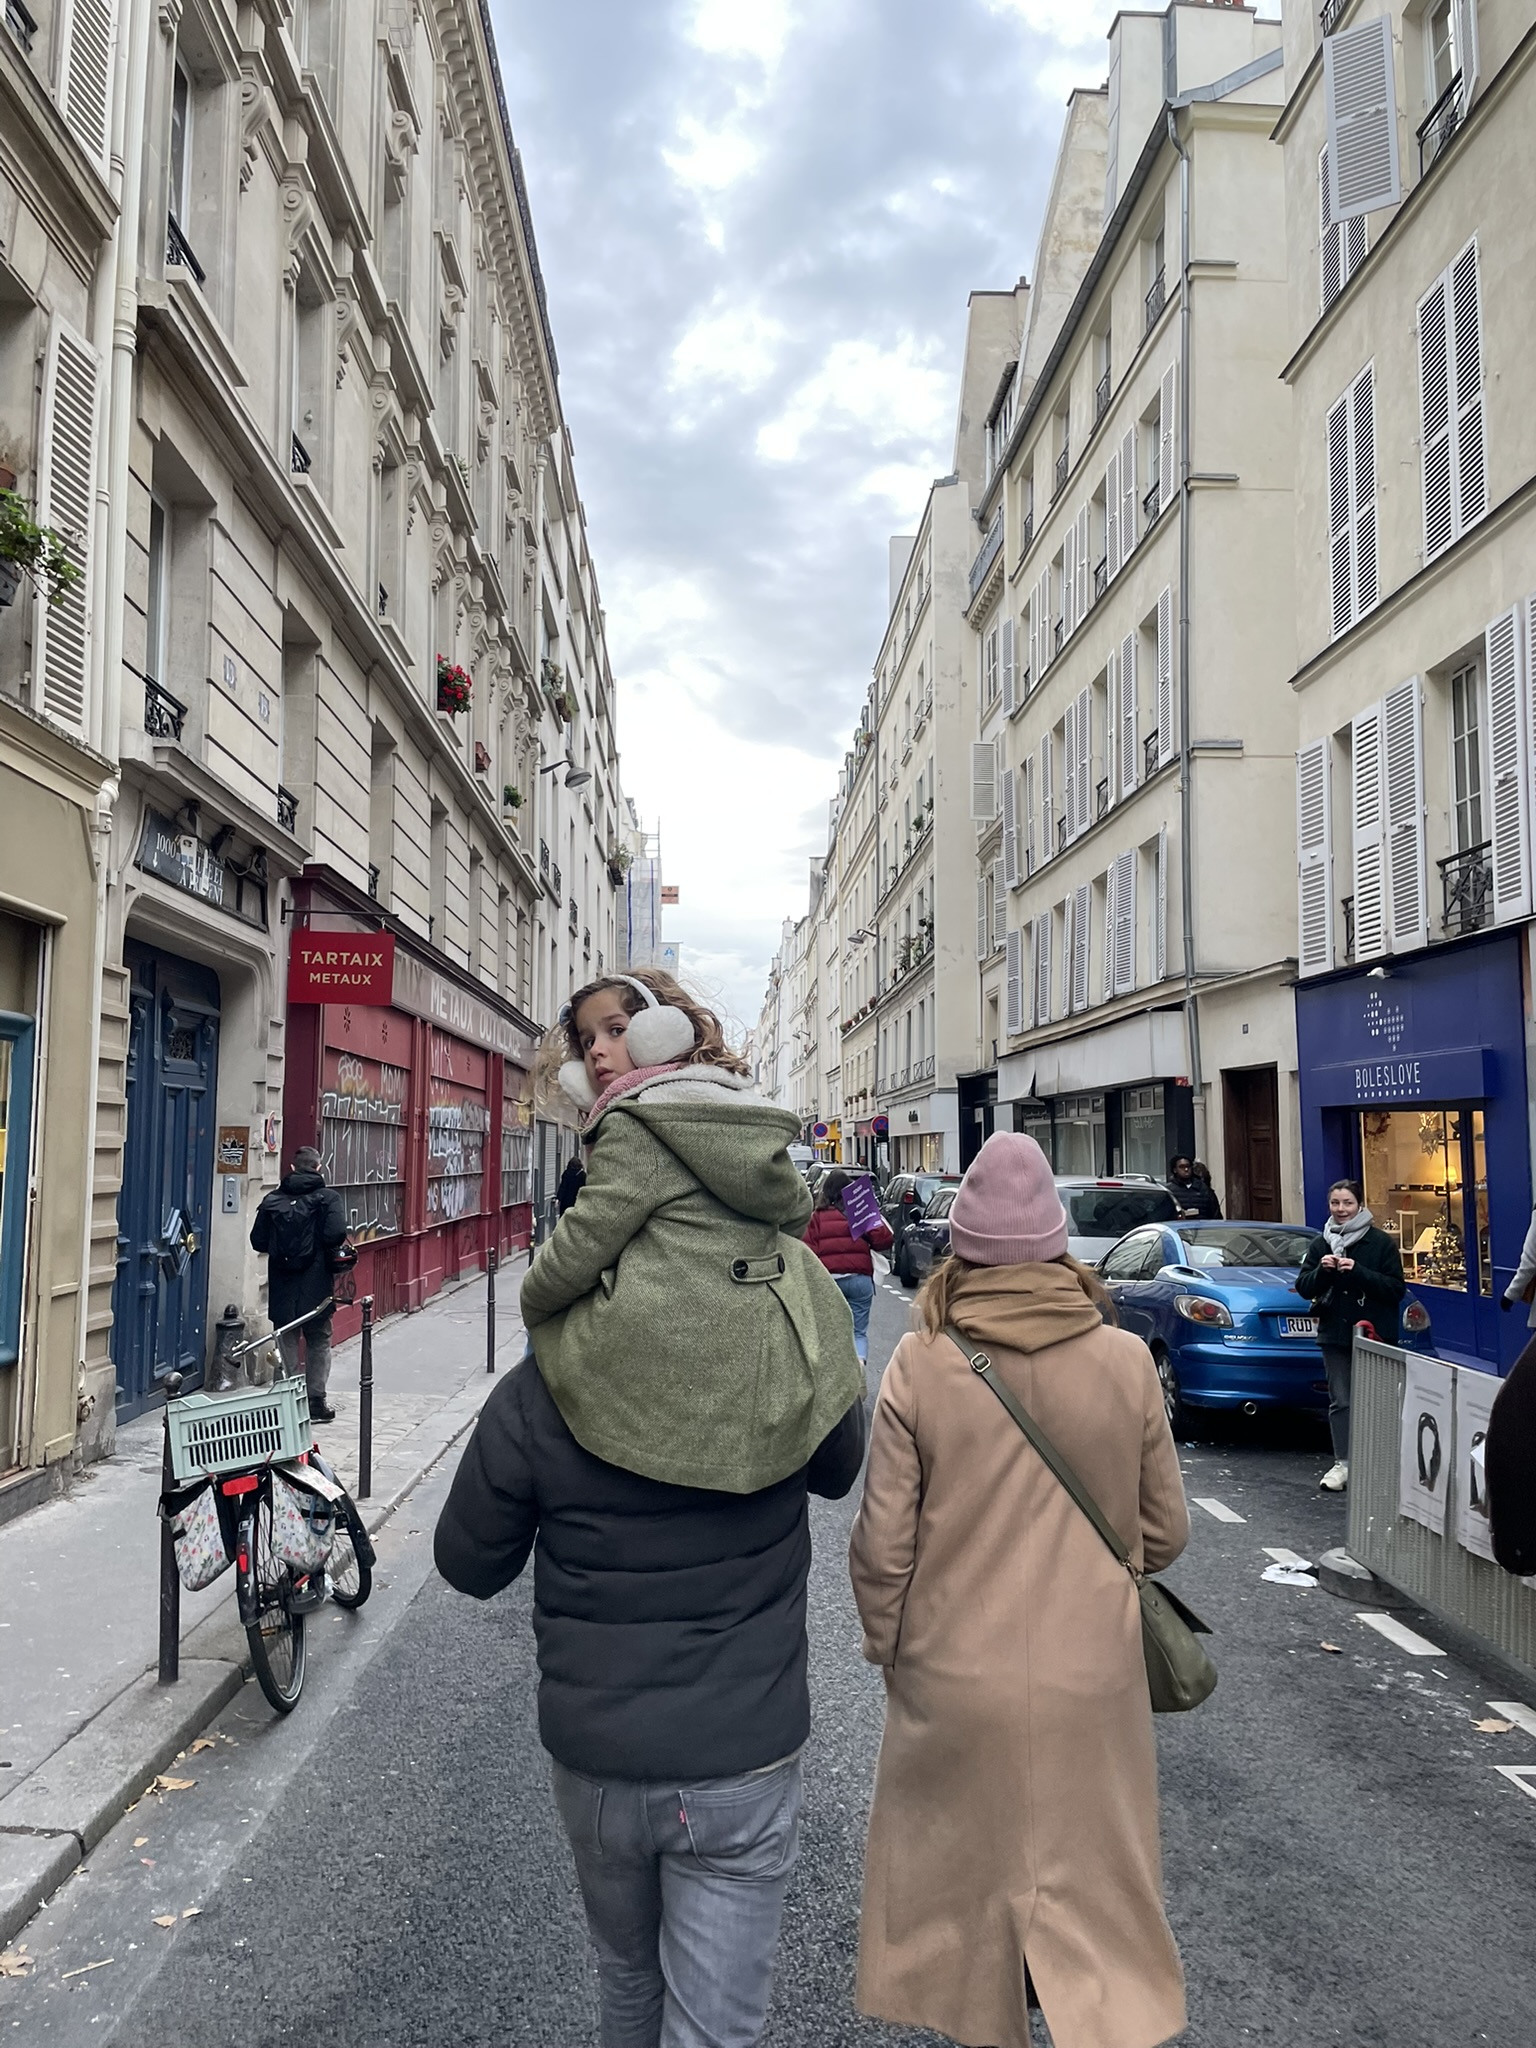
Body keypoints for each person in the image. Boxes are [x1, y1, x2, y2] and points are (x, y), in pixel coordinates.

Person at [849, 1131, 1189, 2048]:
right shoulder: (1123, 1360)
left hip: (954, 1670)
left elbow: (882, 1546)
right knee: (1091, 1882)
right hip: (1093, 1676)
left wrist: (890, 1647)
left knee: (965, 1886)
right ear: (1055, 1242)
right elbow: (1165, 1534)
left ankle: (986, 2005)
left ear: (960, 1244)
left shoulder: (922, 1361)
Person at [519, 969, 863, 1494]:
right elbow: (795, 1207)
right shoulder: (736, 1112)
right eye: (587, 1041)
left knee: (537, 1376)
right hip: (759, 1353)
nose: (597, 1052)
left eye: (616, 1030)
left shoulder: (634, 1125)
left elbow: (579, 1248)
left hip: (656, 1358)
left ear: (661, 1032)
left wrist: (533, 1301)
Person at [1295, 1177, 1406, 1493]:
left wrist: (1358, 1271)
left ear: (1360, 1205)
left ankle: (1379, 1465)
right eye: (1335, 1203)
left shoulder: (1380, 1243)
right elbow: (1304, 1287)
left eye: (1347, 1203)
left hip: (1374, 1336)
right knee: (1341, 1401)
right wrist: (1323, 1271)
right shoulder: (1321, 1243)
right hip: (1335, 1334)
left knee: (1376, 1401)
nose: (1341, 1209)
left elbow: (1395, 1289)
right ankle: (1343, 1463)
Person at [249, 1145, 347, 1422]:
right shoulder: (328, 1198)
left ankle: (286, 1401)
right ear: (319, 1168)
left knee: (285, 1339)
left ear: (292, 1168)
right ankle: (316, 1401)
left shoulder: (273, 1199)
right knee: (319, 1338)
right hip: (316, 1280)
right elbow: (336, 1233)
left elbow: (258, 1240)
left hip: (282, 1281)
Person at [803, 1167, 893, 1362]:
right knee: (858, 1332)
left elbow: (807, 1252)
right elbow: (884, 1240)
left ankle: (834, 1371)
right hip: (860, 1279)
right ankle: (859, 1366)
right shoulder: (859, 1212)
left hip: (829, 1282)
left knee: (828, 1331)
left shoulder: (817, 1217)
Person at [1166, 1154, 1220, 1220]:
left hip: (1202, 1224)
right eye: (1182, 1167)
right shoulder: (1168, 1190)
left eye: (1188, 1166)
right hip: (1178, 1225)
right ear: (1175, 1170)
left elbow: (1215, 1214)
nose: (1186, 1169)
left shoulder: (1203, 1188)